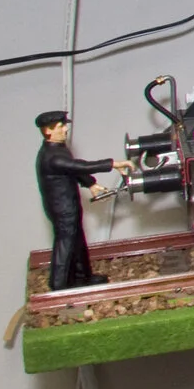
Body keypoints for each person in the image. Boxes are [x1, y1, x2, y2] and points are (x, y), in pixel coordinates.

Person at [35, 111, 125, 292]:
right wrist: (112, 164)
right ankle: (58, 286)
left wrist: (90, 183)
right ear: (48, 131)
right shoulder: (51, 156)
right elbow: (79, 166)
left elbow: (73, 169)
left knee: (77, 241)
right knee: (65, 243)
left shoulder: (58, 148)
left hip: (69, 205)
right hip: (62, 208)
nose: (66, 129)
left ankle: (83, 277)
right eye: (61, 127)